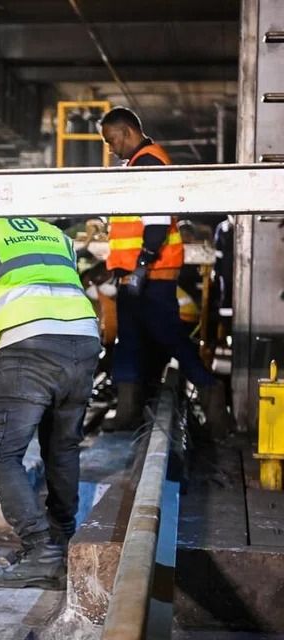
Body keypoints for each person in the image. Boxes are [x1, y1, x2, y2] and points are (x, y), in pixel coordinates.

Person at [0, 217, 101, 590]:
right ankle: (62, 539)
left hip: (29, 344)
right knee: (62, 446)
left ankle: (41, 551)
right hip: (84, 338)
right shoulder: (56, 235)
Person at [99, 106, 232, 436]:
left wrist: (142, 267)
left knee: (169, 336)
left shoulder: (148, 163)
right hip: (135, 275)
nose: (111, 148)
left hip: (151, 274)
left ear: (128, 131)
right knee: (129, 341)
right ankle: (127, 411)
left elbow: (157, 223)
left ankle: (211, 395)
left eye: (112, 140)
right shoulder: (137, 163)